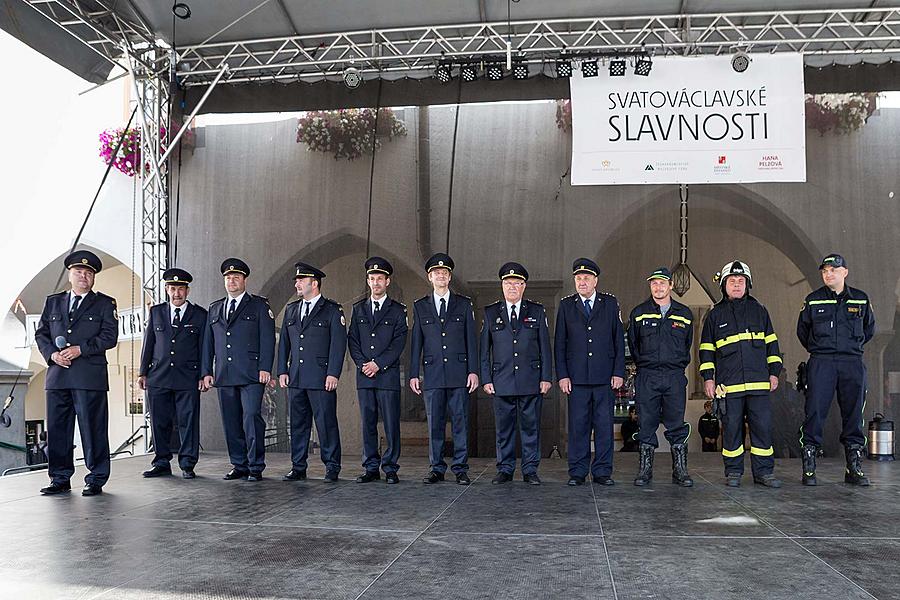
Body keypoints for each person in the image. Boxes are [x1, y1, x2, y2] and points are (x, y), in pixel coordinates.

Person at [35, 250, 118, 496]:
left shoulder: (105, 303)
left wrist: (81, 349)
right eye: (79, 272)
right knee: (58, 430)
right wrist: (52, 354)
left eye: (89, 272)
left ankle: (96, 477)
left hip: (89, 376)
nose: (83, 275)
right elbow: (42, 334)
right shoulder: (53, 301)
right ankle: (59, 478)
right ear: (70, 275)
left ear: (93, 278)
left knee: (93, 429)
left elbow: (109, 337)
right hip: (58, 375)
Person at [699, 260, 783, 488]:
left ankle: (764, 472)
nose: (736, 285)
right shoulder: (715, 315)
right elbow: (706, 349)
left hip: (758, 385)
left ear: (748, 284)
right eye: (732, 281)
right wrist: (708, 377)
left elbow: (772, 346)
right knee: (732, 430)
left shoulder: (760, 312)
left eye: (741, 281)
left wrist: (774, 373)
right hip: (729, 386)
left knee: (762, 429)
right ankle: (733, 472)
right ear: (724, 285)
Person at [797, 253, 875, 486]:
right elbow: (803, 331)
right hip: (822, 361)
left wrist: (850, 348)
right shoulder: (813, 300)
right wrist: (821, 350)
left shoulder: (860, 299)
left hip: (851, 362)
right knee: (815, 412)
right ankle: (809, 467)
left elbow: (869, 330)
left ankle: (854, 467)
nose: (828, 274)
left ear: (845, 272)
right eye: (824, 271)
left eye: (833, 270)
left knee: (853, 414)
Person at [201, 259, 276, 482]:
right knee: (231, 421)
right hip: (225, 374)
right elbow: (208, 343)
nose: (231, 281)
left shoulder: (259, 305)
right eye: (228, 278)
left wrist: (265, 368)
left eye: (236, 277)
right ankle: (239, 464)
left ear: (244, 280)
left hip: (252, 373)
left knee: (252, 417)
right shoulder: (215, 308)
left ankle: (255, 466)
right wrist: (207, 371)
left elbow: (268, 339)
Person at [409, 253, 478, 485]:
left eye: (445, 273)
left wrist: (474, 371)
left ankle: (460, 468)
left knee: (460, 422)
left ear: (449, 278)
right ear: (430, 277)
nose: (441, 276)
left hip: (459, 373)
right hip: (433, 374)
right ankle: (436, 467)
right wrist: (413, 374)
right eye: (436, 273)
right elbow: (416, 342)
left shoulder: (464, 304)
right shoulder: (420, 306)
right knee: (435, 423)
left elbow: (472, 341)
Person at [554, 258, 625, 486]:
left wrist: (618, 372)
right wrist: (563, 375)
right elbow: (560, 344)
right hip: (576, 379)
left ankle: (603, 471)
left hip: (604, 377)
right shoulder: (566, 306)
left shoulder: (610, 304)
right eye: (578, 278)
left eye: (586, 278)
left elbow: (617, 341)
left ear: (596, 280)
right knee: (578, 427)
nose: (582, 282)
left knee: (604, 426)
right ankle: (577, 471)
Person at [480, 262, 552, 485]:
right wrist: (486, 379)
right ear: (502, 286)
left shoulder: (537, 311)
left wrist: (546, 377)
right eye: (508, 283)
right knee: (504, 430)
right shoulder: (491, 313)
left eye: (517, 283)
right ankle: (505, 469)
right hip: (501, 381)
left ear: (524, 286)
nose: (512, 287)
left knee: (531, 429)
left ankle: (530, 470)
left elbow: (545, 348)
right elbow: (484, 351)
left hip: (530, 380)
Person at [277, 262, 347, 483]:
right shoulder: (291, 309)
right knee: (298, 424)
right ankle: (298, 466)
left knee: (326, 423)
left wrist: (333, 373)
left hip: (321, 378)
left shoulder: (332, 310)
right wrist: (282, 371)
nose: (296, 283)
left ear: (314, 283)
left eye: (300, 280)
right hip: (296, 377)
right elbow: (284, 345)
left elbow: (338, 345)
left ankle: (332, 466)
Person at [626, 267, 694, 487]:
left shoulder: (684, 314)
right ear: (650, 286)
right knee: (646, 423)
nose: (658, 287)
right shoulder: (639, 313)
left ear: (671, 285)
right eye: (654, 283)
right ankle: (645, 471)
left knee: (676, 423)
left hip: (674, 376)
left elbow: (687, 345)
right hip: (647, 375)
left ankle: (680, 470)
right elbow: (634, 345)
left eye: (662, 283)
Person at [139, 268, 208, 479]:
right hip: (158, 375)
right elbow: (148, 343)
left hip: (188, 376)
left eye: (180, 289)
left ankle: (187, 463)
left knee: (188, 421)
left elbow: (205, 347)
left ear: (187, 291)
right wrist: (143, 372)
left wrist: (204, 374)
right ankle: (161, 462)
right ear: (167, 289)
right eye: (172, 288)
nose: (176, 293)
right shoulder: (157, 312)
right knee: (159, 421)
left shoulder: (200, 314)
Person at [347, 257, 409, 484]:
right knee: (368, 422)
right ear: (368, 281)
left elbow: (399, 341)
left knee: (391, 423)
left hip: (387, 375)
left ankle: (391, 467)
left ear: (387, 281)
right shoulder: (358, 309)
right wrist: (364, 364)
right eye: (372, 279)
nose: (375, 283)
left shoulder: (397, 310)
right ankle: (371, 467)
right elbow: (353, 339)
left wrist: (378, 364)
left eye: (379, 279)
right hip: (365, 376)